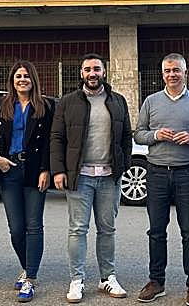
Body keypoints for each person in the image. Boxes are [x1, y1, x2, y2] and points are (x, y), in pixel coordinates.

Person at [50, 54, 131, 304]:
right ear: (82, 73)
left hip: (109, 177)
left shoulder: (118, 101)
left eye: (97, 68)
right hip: (80, 177)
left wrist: (123, 167)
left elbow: (127, 137)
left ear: (104, 72)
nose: (92, 73)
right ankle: (77, 280)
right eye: (87, 69)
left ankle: (107, 277)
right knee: (77, 230)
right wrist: (59, 170)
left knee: (107, 229)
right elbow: (57, 137)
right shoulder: (68, 102)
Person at [134, 53, 189, 306]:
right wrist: (155, 134)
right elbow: (139, 135)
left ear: (185, 72)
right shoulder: (151, 101)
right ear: (162, 74)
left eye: (176, 70)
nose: (172, 74)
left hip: (186, 173)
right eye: (167, 70)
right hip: (156, 172)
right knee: (156, 231)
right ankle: (156, 281)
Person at [0, 61, 54, 303]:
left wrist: (46, 169)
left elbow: (50, 141)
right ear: (12, 80)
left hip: (35, 169)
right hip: (9, 169)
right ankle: (27, 267)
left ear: (33, 79)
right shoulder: (1, 105)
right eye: (18, 76)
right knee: (16, 228)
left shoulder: (45, 106)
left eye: (26, 76)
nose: (22, 79)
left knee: (34, 225)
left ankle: (31, 278)